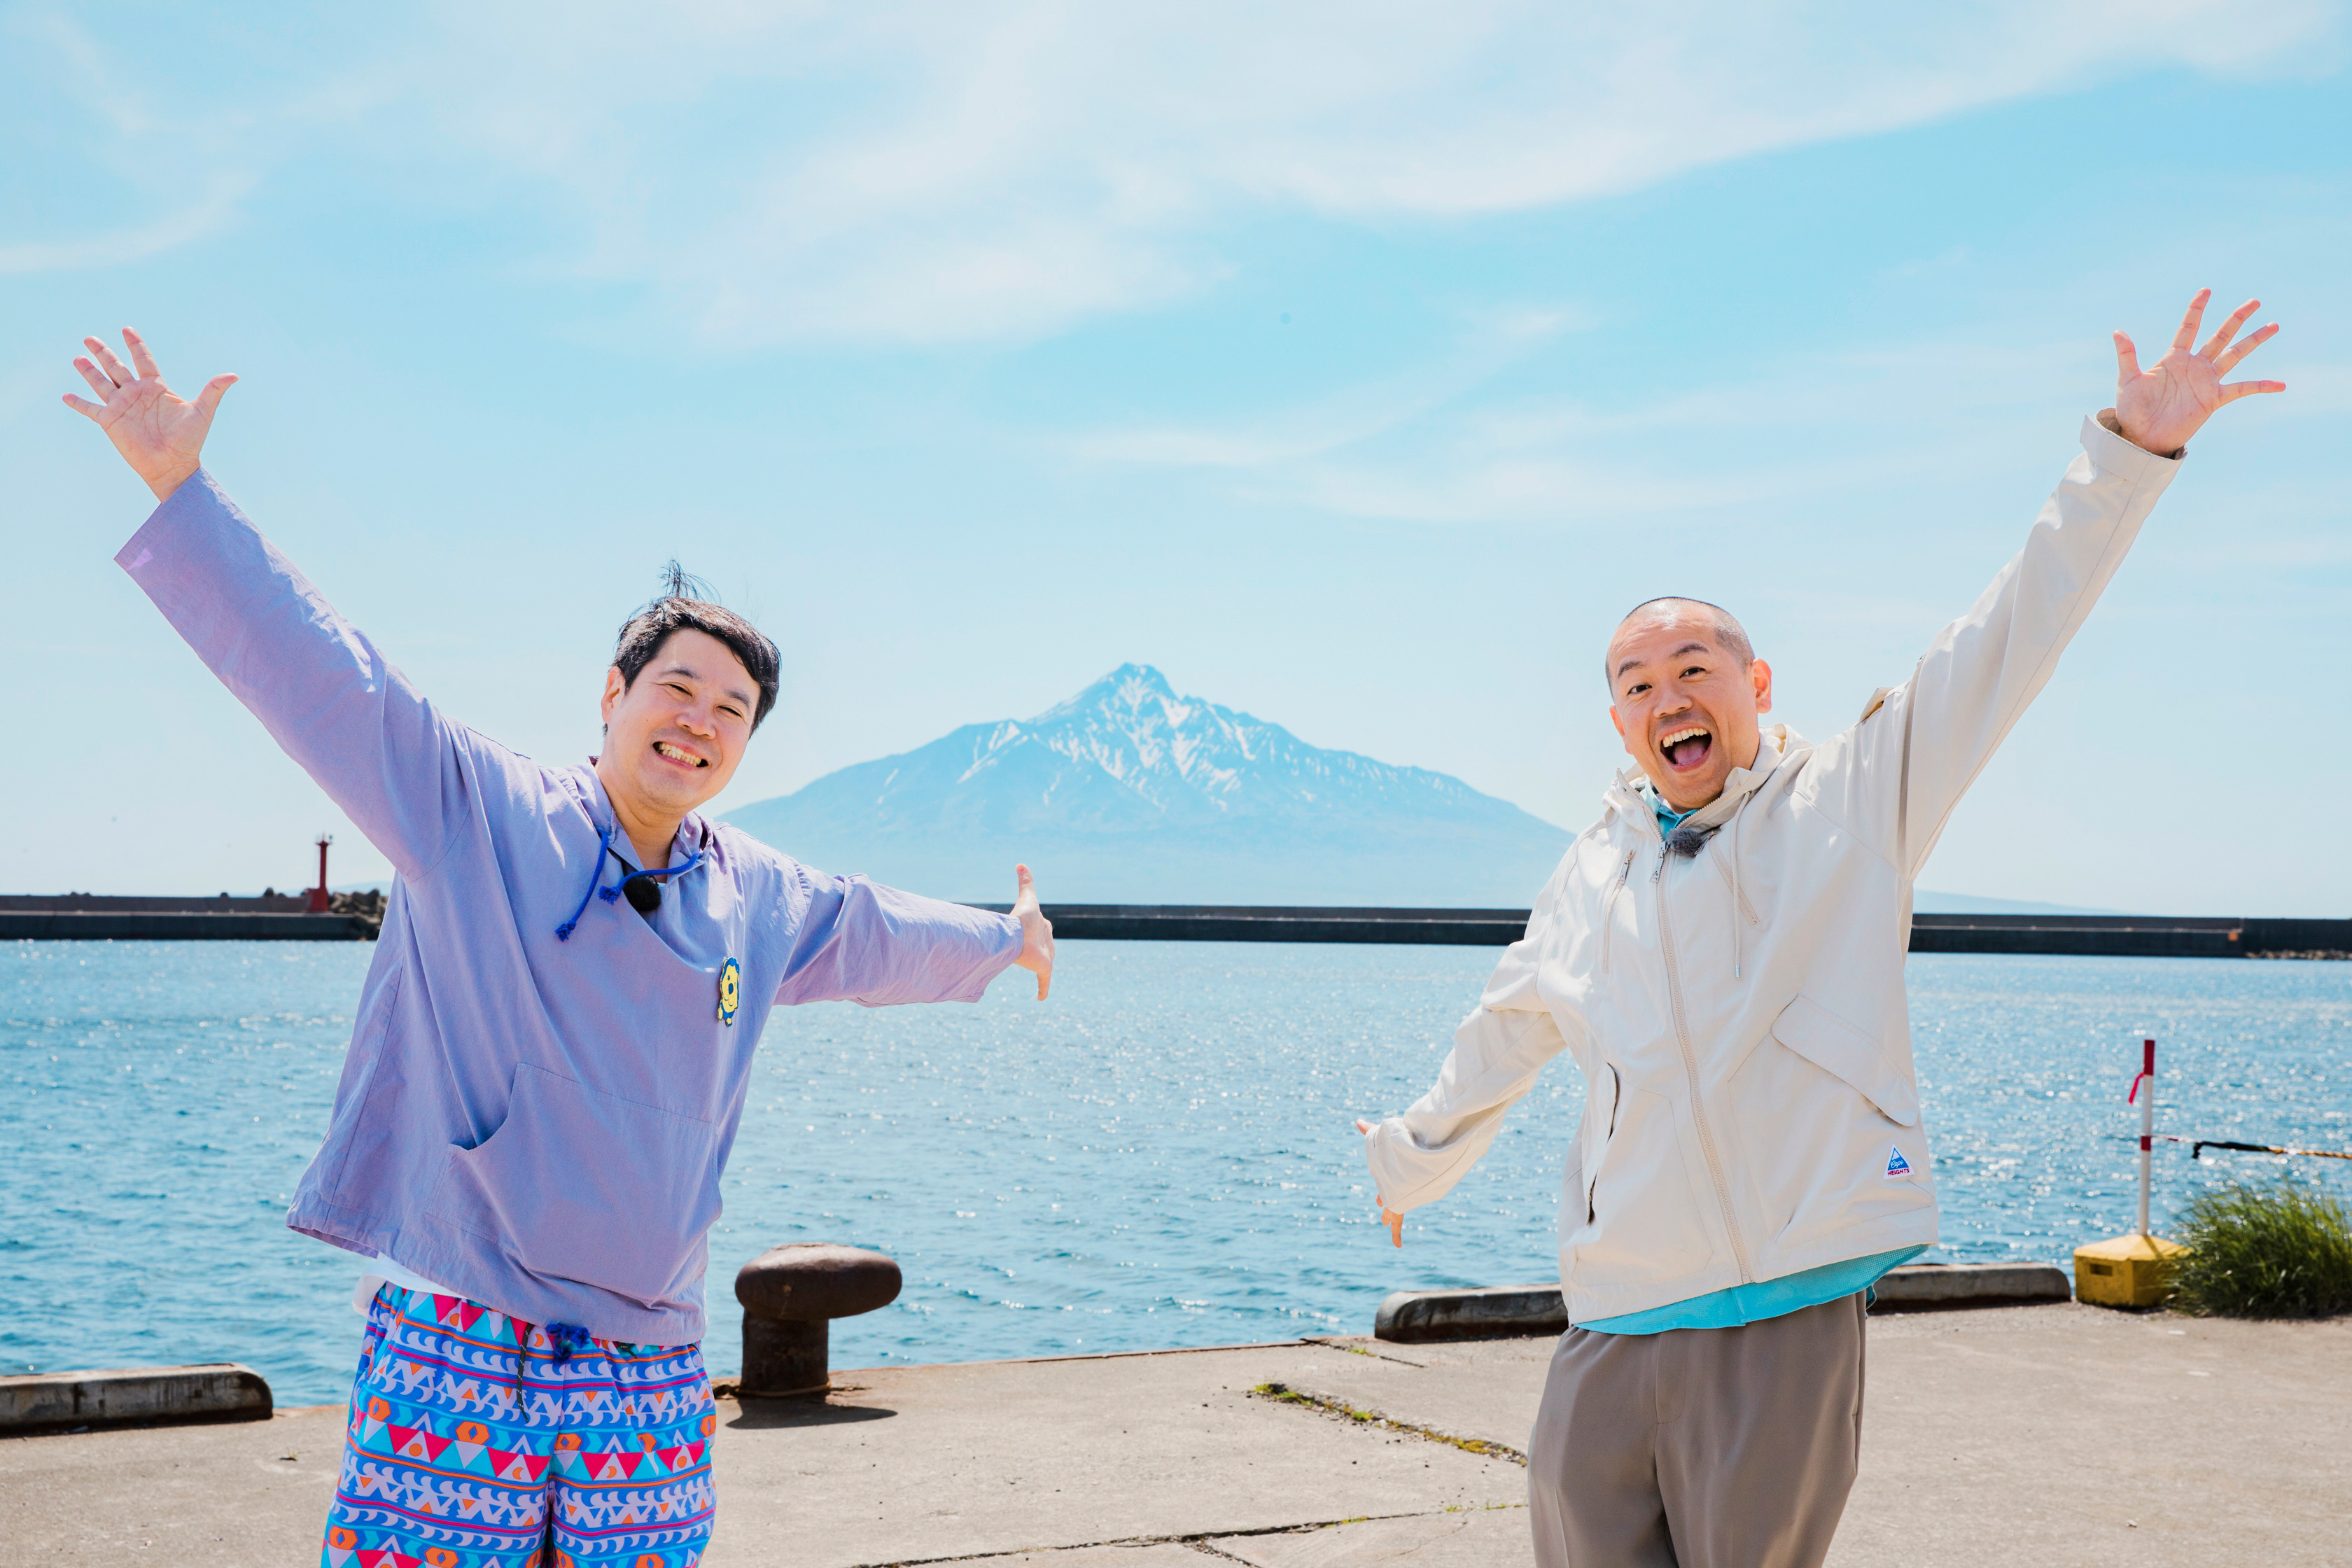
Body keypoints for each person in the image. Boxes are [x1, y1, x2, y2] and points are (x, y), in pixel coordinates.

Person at [64, 327, 1056, 1568]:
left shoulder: (756, 891)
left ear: (748, 744)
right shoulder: (472, 806)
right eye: (677, 689)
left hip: (645, 1352)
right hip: (459, 1325)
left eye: (730, 712)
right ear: (612, 691)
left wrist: (1008, 936)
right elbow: (329, 680)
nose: (698, 724)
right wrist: (183, 492)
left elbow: (880, 933)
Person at [1354, 290, 2283, 1568]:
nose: (1668, 697)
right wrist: (1407, 1164)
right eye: (1637, 684)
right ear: (1617, 723)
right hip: (1613, 1317)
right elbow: (1503, 1033)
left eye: (1695, 669)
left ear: (1756, 687)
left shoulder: (1853, 801)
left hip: (1782, 1312)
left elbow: (2005, 640)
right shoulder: (1589, 872)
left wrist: (2129, 452)